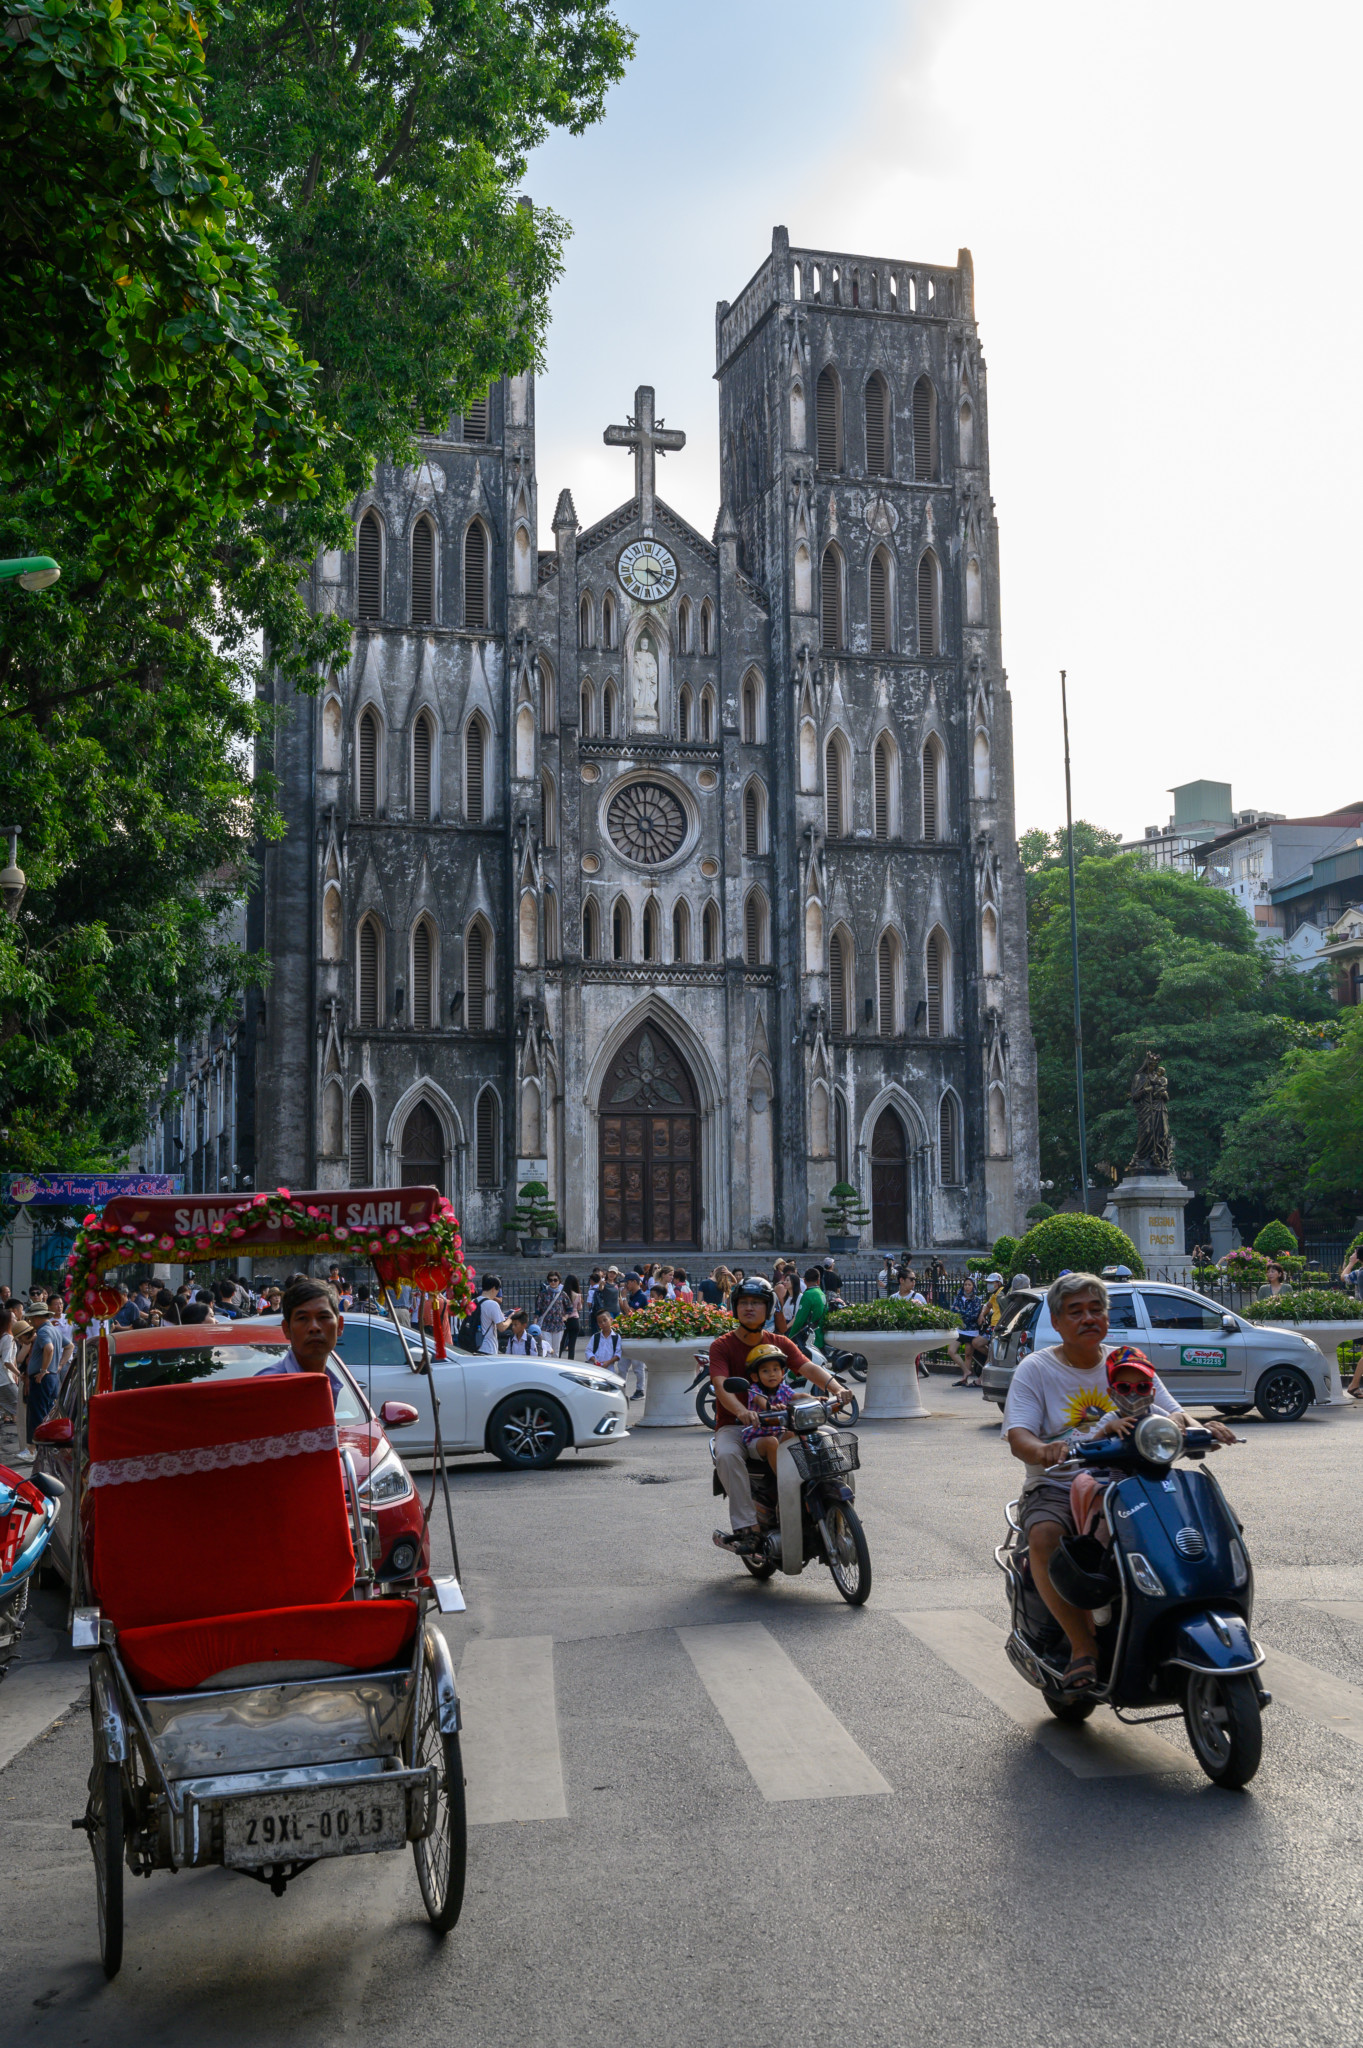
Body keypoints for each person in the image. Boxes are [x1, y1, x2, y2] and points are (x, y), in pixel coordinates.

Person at [1003, 1273, 1234, 1692]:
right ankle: (1082, 1645)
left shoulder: (1126, 1360)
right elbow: (1019, 1434)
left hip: (1135, 1481)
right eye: (1076, 1311)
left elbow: (1172, 1412)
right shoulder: (1036, 1368)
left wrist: (1204, 1428)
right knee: (1044, 1536)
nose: (1088, 1318)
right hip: (1060, 1484)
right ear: (1056, 1321)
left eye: (1097, 1309)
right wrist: (1044, 1451)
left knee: (1199, 1527)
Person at [709, 1276, 848, 1554]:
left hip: (783, 1419)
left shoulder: (779, 1342)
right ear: (735, 1308)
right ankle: (748, 1528)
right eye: (744, 1303)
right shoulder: (721, 1346)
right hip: (738, 1425)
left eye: (757, 1303)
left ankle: (840, 1517)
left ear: (769, 1307)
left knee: (833, 1439)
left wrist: (836, 1387)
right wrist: (742, 1411)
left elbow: (807, 1368)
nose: (750, 1308)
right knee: (726, 1455)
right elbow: (721, 1386)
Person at [254, 1278, 346, 1401]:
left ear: (339, 1326)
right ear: (286, 1329)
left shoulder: (330, 1384)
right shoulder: (265, 1388)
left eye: (323, 1317)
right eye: (302, 1318)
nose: (314, 1327)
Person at [17, 1301, 64, 1463]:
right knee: (48, 1413)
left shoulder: (44, 1331)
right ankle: (43, 1450)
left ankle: (36, 1451)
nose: (30, 1322)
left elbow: (49, 1348)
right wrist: (58, 1366)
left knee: (38, 1415)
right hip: (51, 1378)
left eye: (31, 1319)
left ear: (37, 1317)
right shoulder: (54, 1330)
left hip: (42, 1378)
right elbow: (69, 1346)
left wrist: (44, 1370)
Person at [740, 1344, 798, 1473]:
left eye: (776, 1369)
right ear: (755, 1376)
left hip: (778, 1433)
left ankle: (795, 1471)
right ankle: (783, 1479)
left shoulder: (783, 1388)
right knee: (771, 1442)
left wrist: (814, 1398)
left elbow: (796, 1396)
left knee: (792, 1434)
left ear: (782, 1373)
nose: (772, 1374)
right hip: (757, 1438)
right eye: (765, 1371)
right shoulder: (755, 1389)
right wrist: (770, 1407)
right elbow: (761, 1401)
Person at [786, 1266, 828, 1359]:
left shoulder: (808, 1295)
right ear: (818, 1280)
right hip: (819, 1336)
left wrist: (790, 1337)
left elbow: (800, 1319)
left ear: (804, 1280)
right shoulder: (821, 1293)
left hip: (809, 1340)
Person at [950, 1274, 984, 1386]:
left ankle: (964, 1379)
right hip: (960, 1329)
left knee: (968, 1355)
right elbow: (952, 1311)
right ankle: (966, 1370)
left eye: (969, 1284)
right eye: (965, 1284)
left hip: (971, 1330)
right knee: (951, 1351)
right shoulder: (959, 1298)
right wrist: (963, 1313)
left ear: (973, 1286)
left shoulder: (977, 1300)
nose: (967, 1287)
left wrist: (960, 1312)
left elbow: (973, 1315)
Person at [473, 1276, 511, 1355]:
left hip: (474, 1346)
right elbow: (501, 1327)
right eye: (498, 1290)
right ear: (493, 1288)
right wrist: (510, 1318)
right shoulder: (492, 1304)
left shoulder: (474, 1301)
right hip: (488, 1348)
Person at [536, 1271, 568, 1355]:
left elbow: (569, 1307)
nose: (553, 1282)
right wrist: (535, 1322)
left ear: (559, 1281)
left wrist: (565, 1317)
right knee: (547, 1349)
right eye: (550, 1280)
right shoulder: (543, 1294)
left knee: (556, 1350)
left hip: (558, 1325)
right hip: (546, 1325)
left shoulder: (562, 1294)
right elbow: (538, 1309)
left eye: (555, 1280)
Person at [560, 1276, 583, 1361]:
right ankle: (570, 1361)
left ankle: (557, 1358)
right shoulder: (577, 1295)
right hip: (574, 1319)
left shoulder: (562, 1294)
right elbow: (579, 1307)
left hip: (565, 1319)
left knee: (561, 1342)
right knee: (572, 1344)